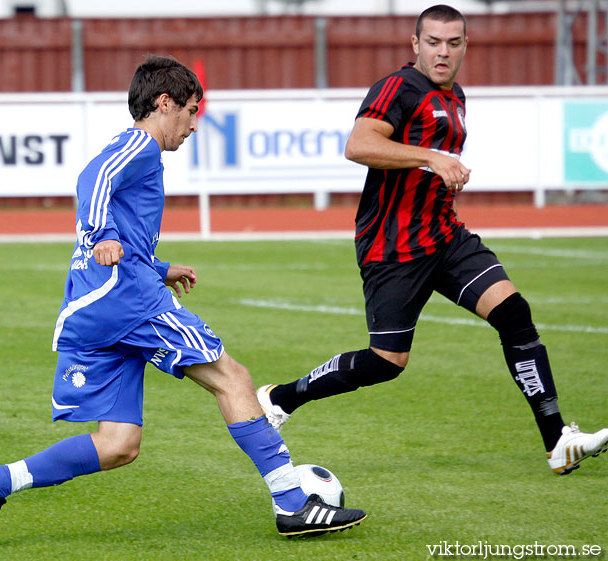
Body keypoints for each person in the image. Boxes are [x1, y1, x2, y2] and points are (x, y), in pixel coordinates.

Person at [0, 55, 366, 549]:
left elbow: (116, 229)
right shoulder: (139, 144)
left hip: (94, 309)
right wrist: (104, 232)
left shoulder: (136, 152)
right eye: (192, 111)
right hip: (128, 304)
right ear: (164, 102)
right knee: (233, 378)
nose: (194, 125)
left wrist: (158, 266)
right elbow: (91, 181)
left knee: (118, 445)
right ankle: (292, 503)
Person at [258, 5, 608, 476]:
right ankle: (281, 398)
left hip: (445, 237)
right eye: (434, 42)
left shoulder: (456, 94)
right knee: (387, 362)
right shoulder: (398, 87)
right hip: (394, 247)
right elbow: (358, 144)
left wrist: (436, 167)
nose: (443, 52)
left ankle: (558, 442)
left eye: (454, 43)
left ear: (465, 45)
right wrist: (431, 158)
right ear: (415, 44)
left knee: (514, 314)